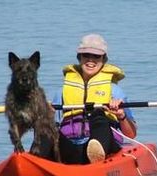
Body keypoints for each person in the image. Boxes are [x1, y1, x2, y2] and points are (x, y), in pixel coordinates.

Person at [53, 34, 137, 164]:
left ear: (104, 59)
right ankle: (33, 158)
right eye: (86, 55)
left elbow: (131, 135)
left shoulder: (115, 91)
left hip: (106, 146)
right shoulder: (61, 92)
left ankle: (96, 152)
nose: (90, 60)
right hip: (71, 147)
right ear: (79, 58)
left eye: (96, 56)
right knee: (46, 127)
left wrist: (121, 116)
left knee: (98, 114)